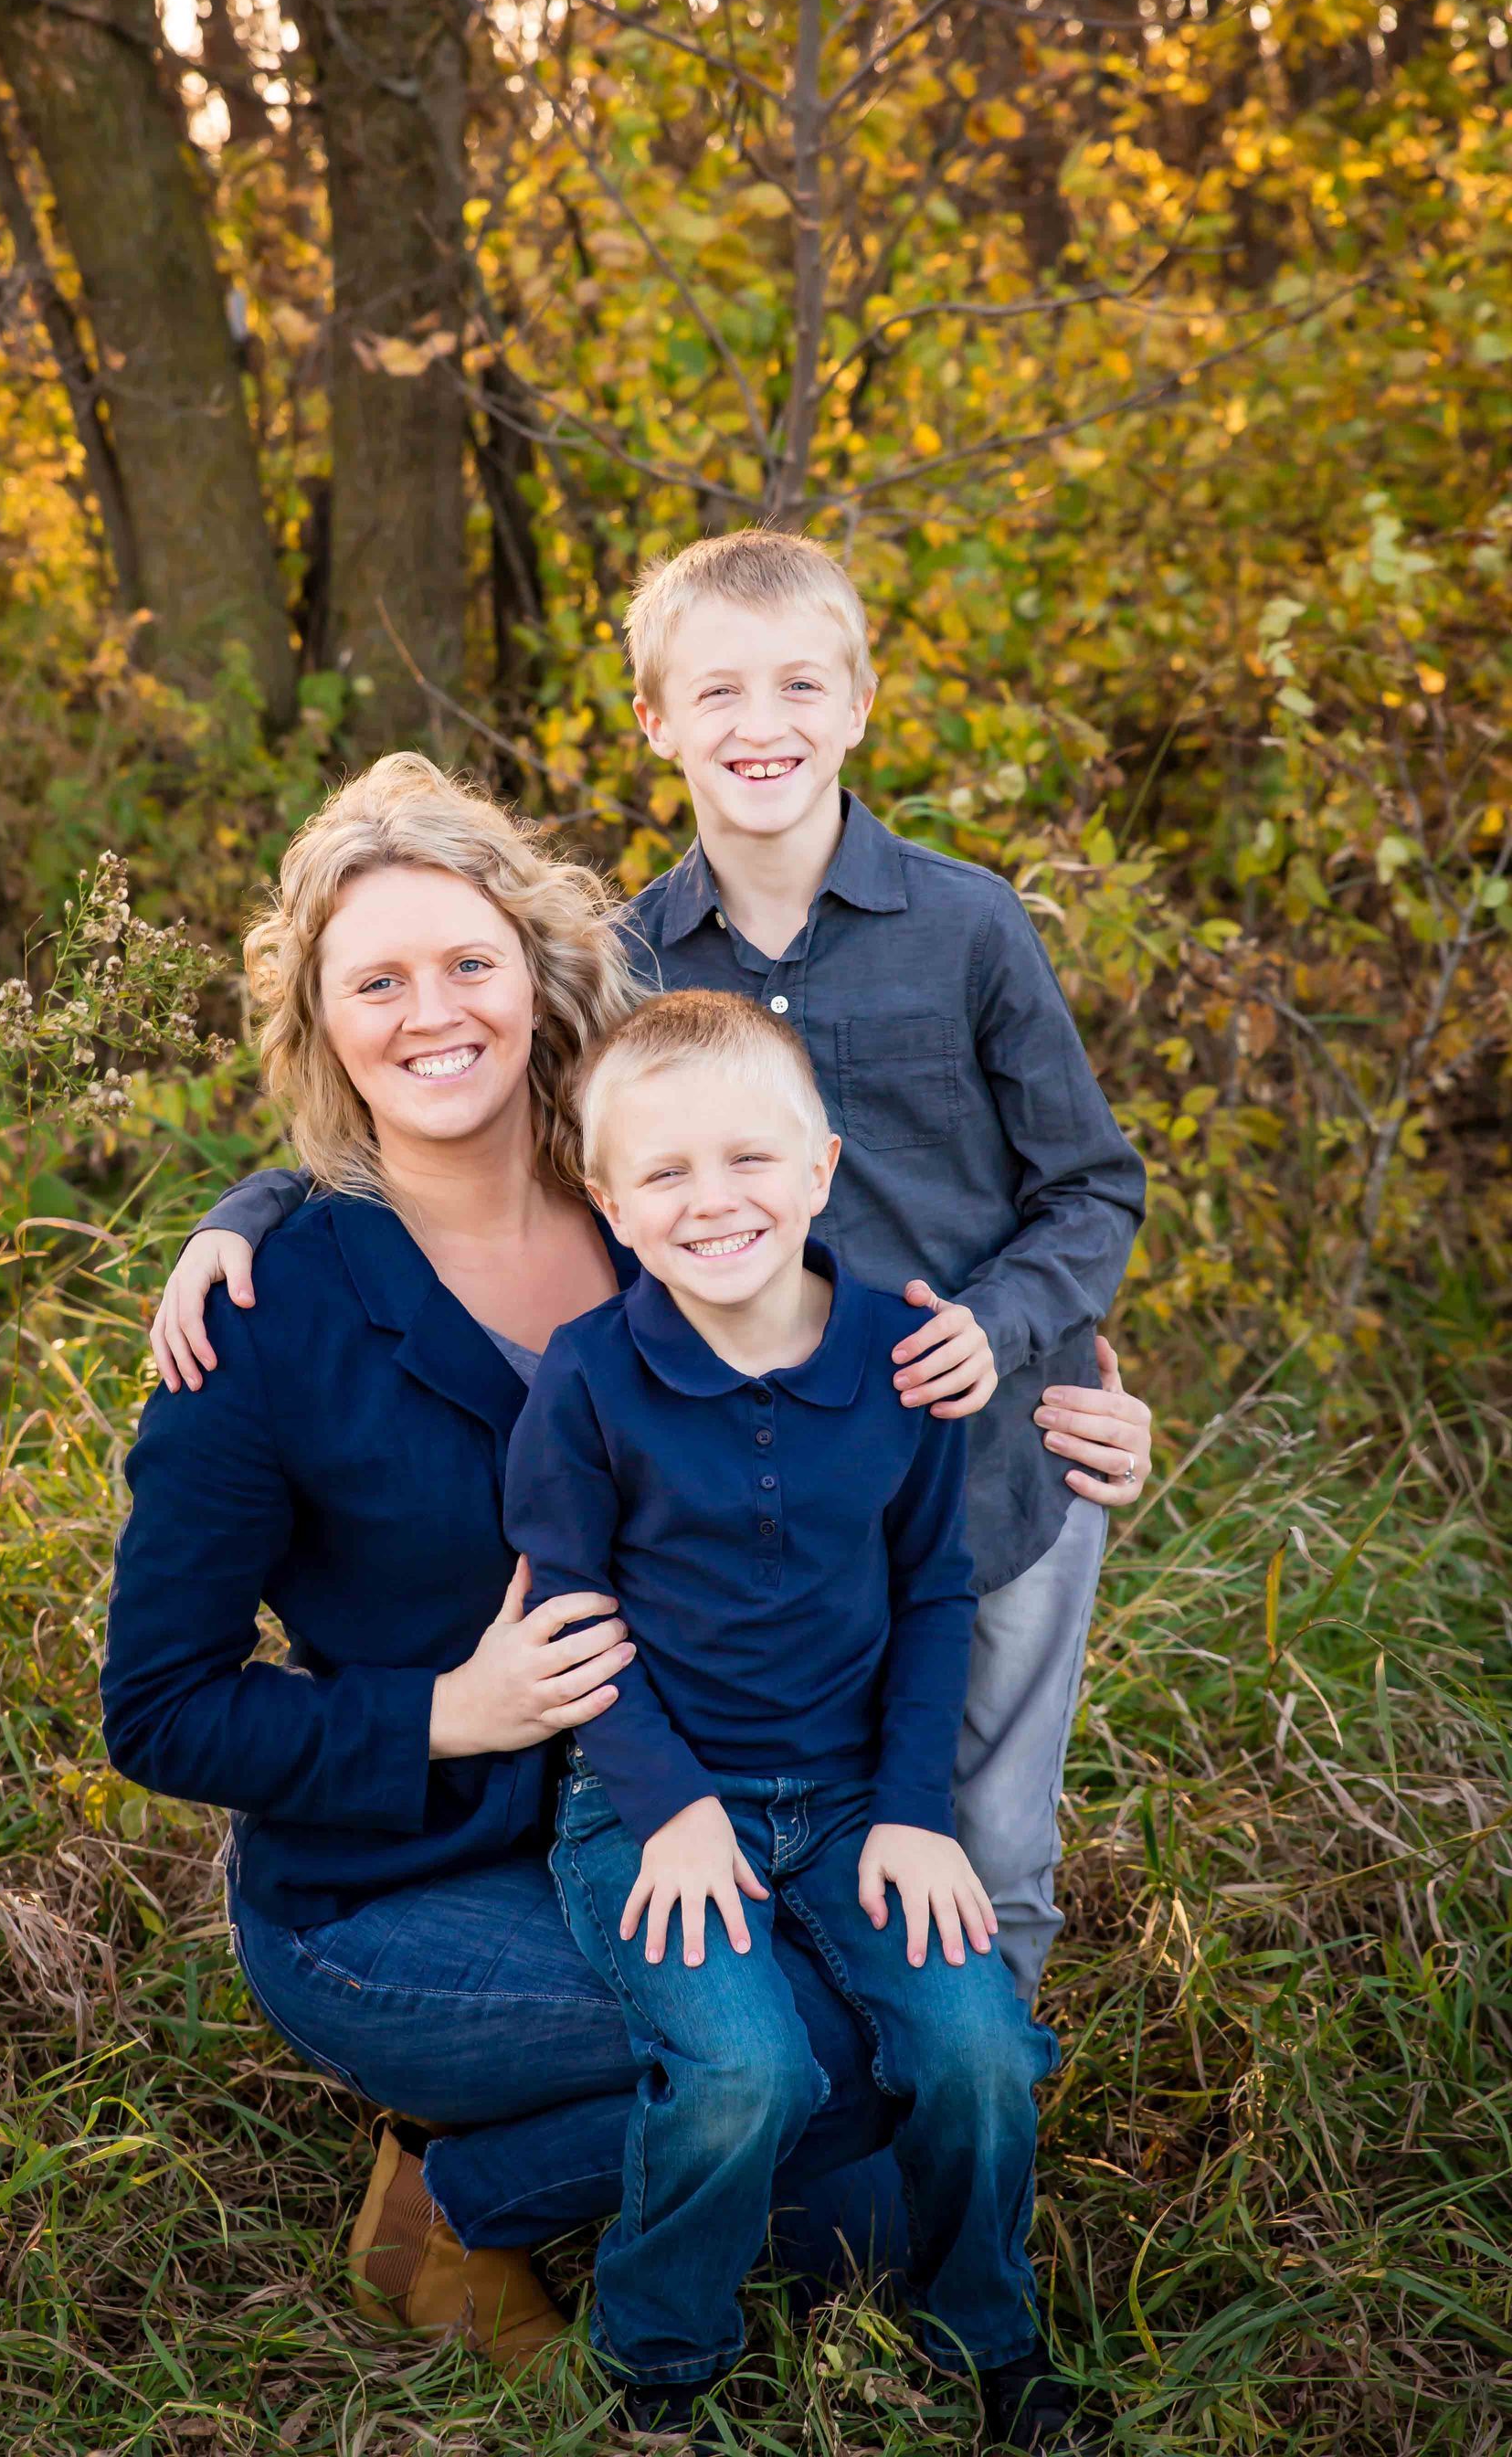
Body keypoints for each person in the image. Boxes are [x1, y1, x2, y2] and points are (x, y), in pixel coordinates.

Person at [101, 755, 1000, 2386]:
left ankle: (557, 2158)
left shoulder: (660, 1205)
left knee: (871, 2207)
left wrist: (1056, 1378)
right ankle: (454, 2201)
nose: (430, 1013)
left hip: (701, 1812)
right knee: (809, 2055)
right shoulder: (265, 1311)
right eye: (374, 982)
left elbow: (879, 1366)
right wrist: (449, 1709)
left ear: (539, 974)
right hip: (409, 1885)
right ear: (320, 1025)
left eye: (468, 964)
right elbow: (157, 1710)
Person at [160, 528, 1149, 2009]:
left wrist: (1020, 1334)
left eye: (802, 685)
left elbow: (1092, 1182)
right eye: (720, 692)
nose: (764, 726)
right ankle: (826, 2124)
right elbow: (442, 1096)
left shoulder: (969, 925)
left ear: (862, 702)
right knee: (808, 1843)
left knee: (982, 1846)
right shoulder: (630, 962)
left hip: (990, 1471)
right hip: (759, 1522)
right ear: (656, 722)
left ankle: (969, 2153)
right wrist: (246, 1209)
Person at [506, 989, 1075, 2452]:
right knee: (752, 2068)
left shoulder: (897, 1357)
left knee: (980, 2052)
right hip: (648, 1808)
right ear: (613, 1206)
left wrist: (911, 1812)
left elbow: (933, 1600)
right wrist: (671, 1808)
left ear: (820, 1167)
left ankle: (986, 2333)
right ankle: (660, 2363)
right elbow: (567, 1618)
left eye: (749, 1159)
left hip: (853, 1803)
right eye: (667, 1174)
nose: (715, 1200)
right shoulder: (589, 1377)